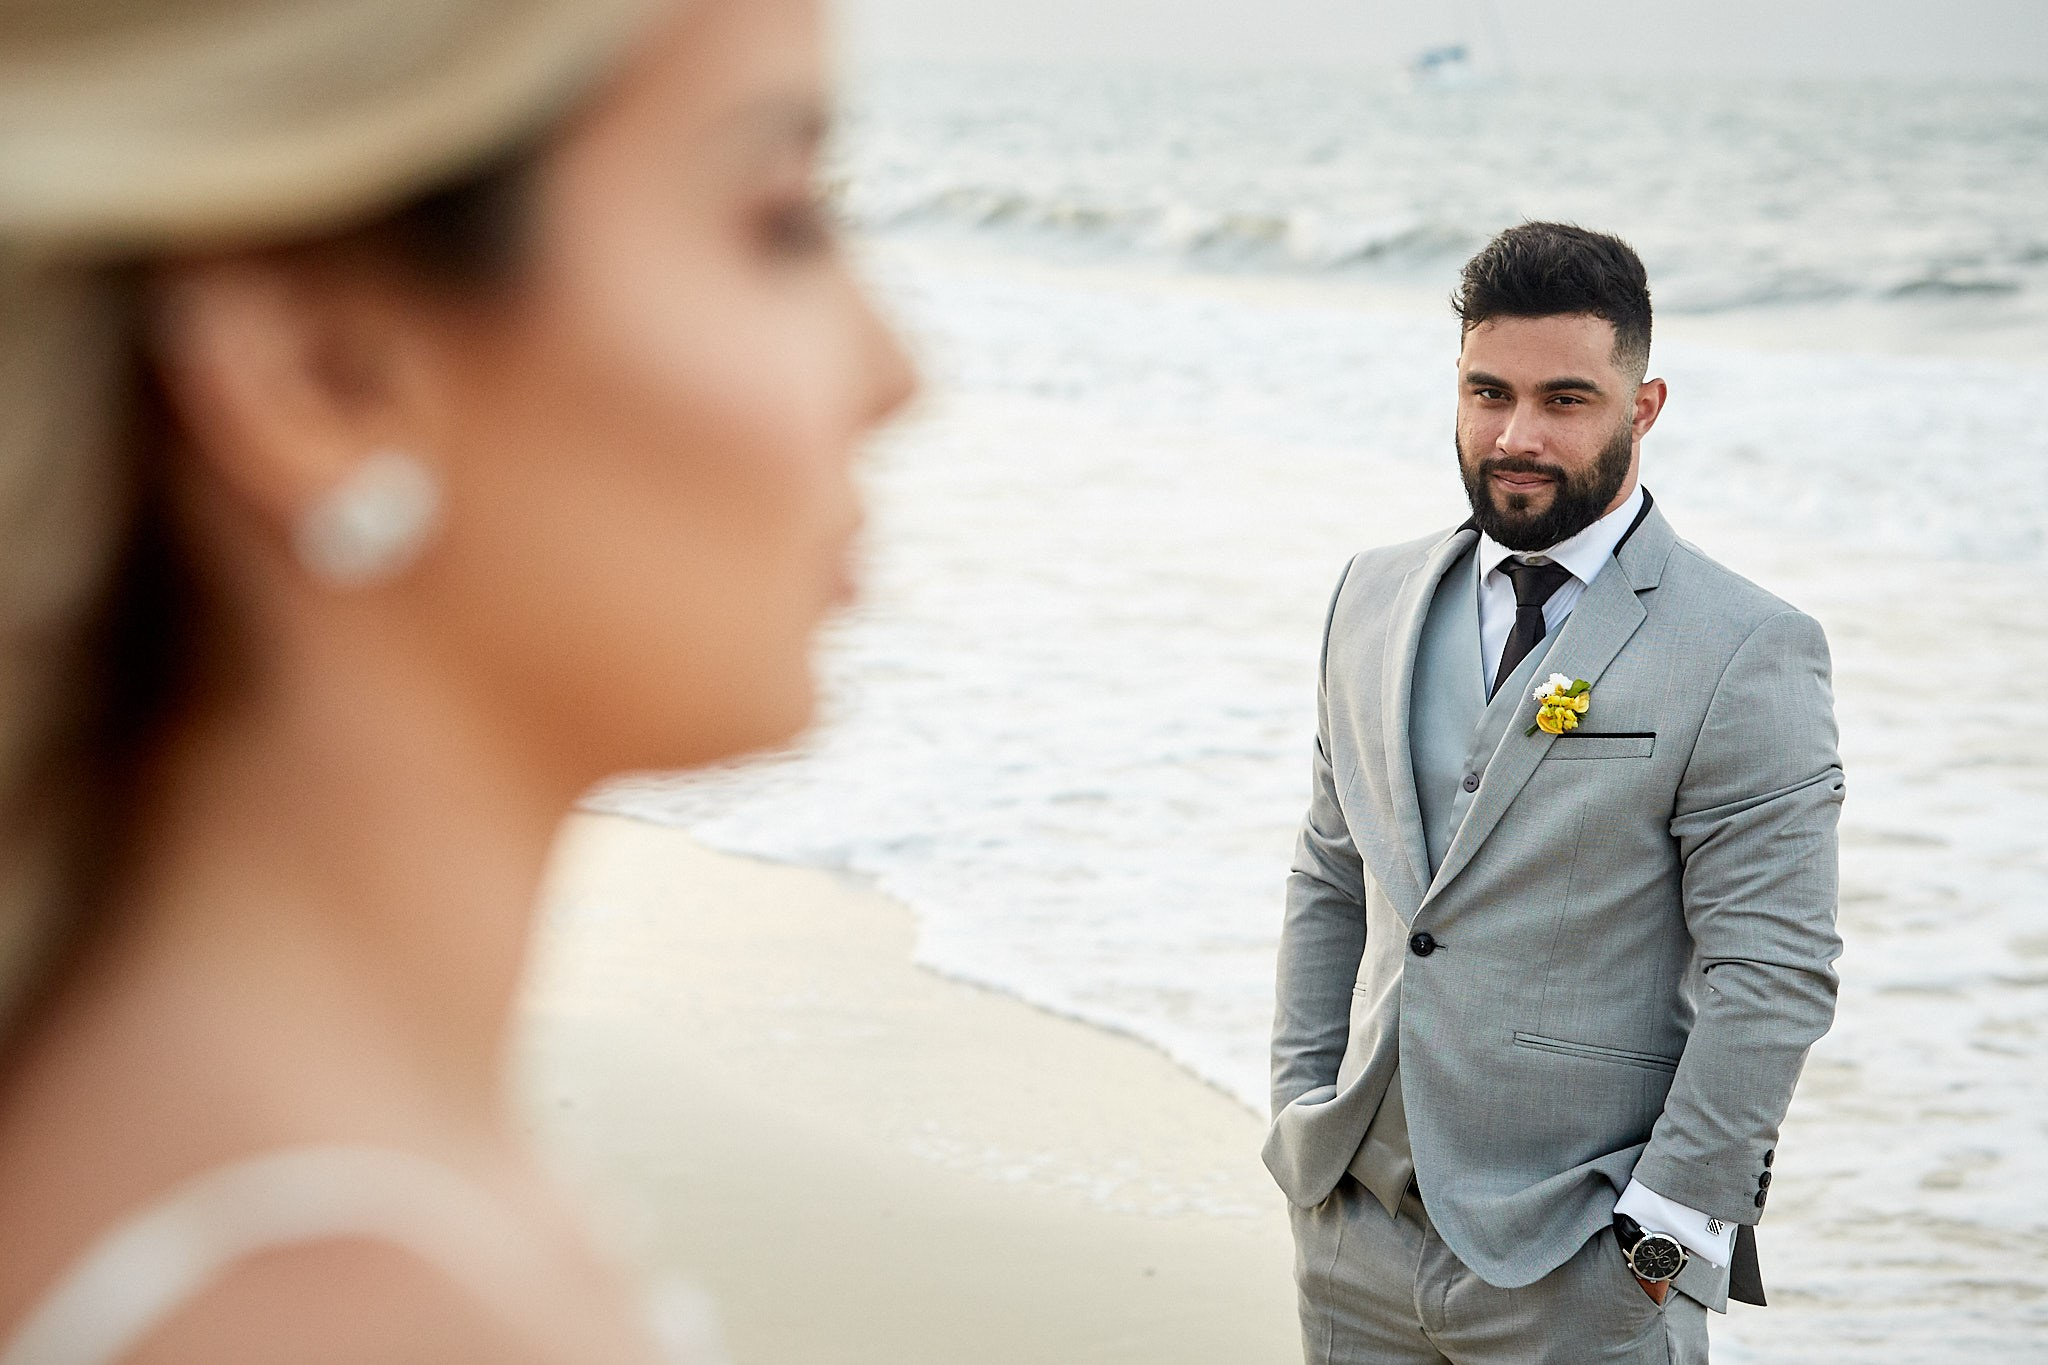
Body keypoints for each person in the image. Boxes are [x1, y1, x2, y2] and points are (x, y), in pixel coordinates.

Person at [0, 0, 915, 1359]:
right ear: (324, 372)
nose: (898, 375)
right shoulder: (338, 1306)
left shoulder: (154, 1107)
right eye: (780, 218)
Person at [1264, 222, 1843, 1364]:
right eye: (1487, 392)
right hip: (1353, 1243)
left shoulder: (1744, 648)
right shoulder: (1368, 597)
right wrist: (1301, 1117)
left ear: (1644, 405)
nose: (1516, 436)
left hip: (1583, 1274)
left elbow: (1769, 971)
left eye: (1565, 400)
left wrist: (1664, 1240)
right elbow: (1332, 870)